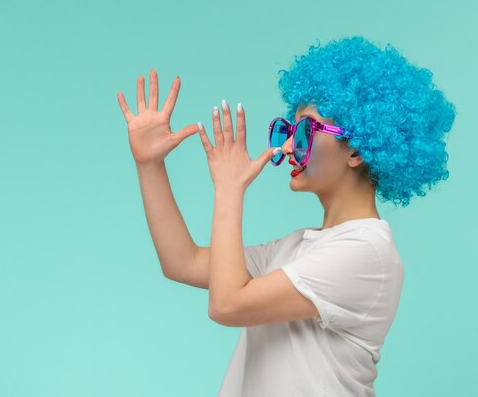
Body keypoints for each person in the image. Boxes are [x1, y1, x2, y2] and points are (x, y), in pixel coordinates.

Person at [115, 35, 456, 397]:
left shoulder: (367, 253)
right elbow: (182, 262)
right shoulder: (298, 248)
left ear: (356, 149)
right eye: (288, 130)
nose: (289, 145)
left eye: (306, 131)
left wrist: (229, 189)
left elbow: (228, 304)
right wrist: (149, 164)